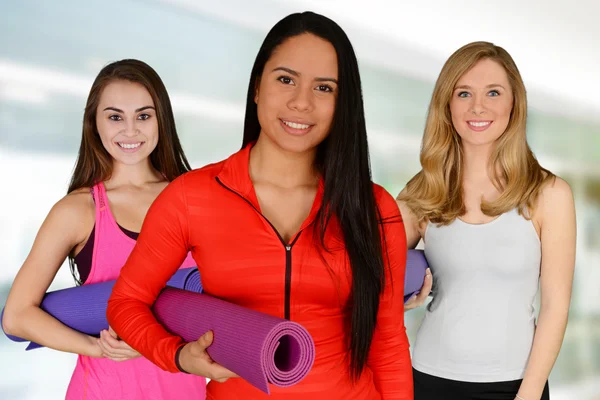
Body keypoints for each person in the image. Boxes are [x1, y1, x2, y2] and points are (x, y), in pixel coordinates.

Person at [106, 11, 413, 400]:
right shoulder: (192, 196)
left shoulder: (373, 207)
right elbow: (126, 302)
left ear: (343, 104)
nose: (301, 103)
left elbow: (387, 345)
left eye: (324, 88)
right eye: (285, 80)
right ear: (256, 88)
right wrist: (178, 356)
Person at [2, 59, 207, 400]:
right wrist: (97, 347)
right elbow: (17, 316)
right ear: (94, 123)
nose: (130, 131)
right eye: (115, 117)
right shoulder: (78, 211)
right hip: (104, 390)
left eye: (143, 115)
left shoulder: (194, 200)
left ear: (161, 121)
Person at [398, 41, 576, 400]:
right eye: (464, 93)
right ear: (447, 104)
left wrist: (528, 395)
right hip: (429, 379)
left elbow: (556, 309)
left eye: (493, 92)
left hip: (515, 385)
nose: (478, 106)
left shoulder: (550, 194)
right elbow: (370, 274)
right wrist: (397, 298)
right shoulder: (424, 190)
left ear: (514, 103)